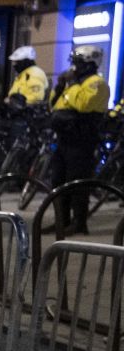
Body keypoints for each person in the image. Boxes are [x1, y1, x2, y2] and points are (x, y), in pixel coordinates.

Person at [48, 45, 111, 235]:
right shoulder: (74, 85)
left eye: (78, 63)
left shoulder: (96, 83)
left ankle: (79, 222)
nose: (74, 67)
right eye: (74, 63)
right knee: (58, 181)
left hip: (81, 140)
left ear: (90, 64)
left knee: (77, 182)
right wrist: (59, 87)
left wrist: (73, 85)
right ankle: (62, 220)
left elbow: (83, 105)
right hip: (64, 139)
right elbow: (55, 105)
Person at [7, 45, 48, 109]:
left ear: (25, 62)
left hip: (27, 113)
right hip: (18, 110)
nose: (14, 65)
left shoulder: (34, 74)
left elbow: (36, 98)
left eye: (17, 62)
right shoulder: (24, 75)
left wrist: (17, 104)